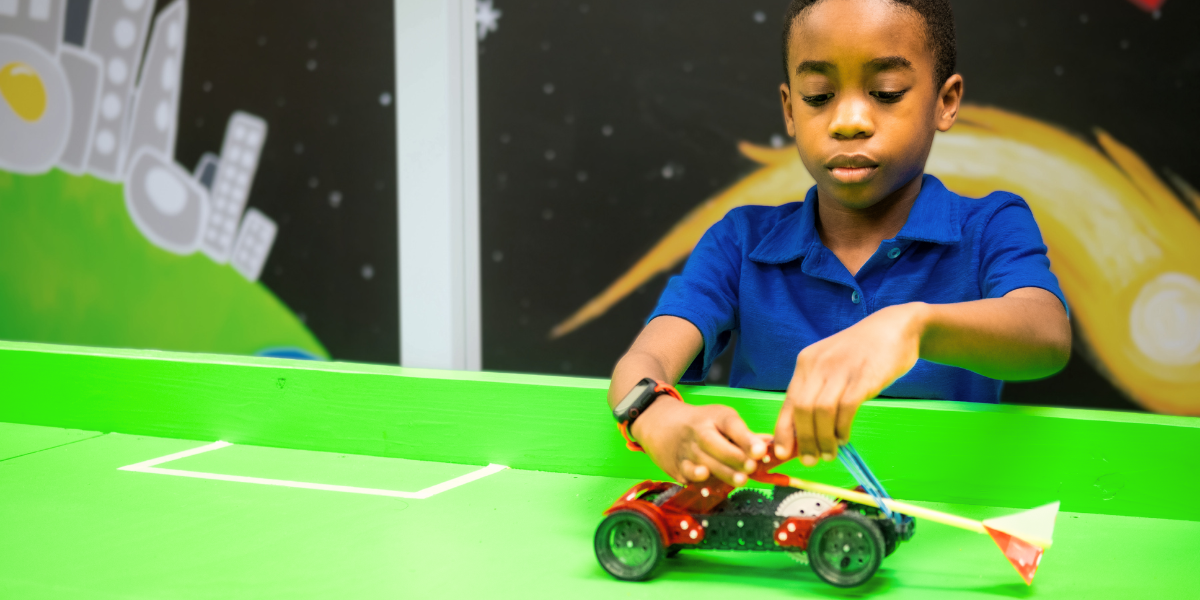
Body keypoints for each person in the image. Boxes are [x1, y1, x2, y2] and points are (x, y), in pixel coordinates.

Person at [606, 0, 1071, 488]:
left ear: (946, 101)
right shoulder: (740, 241)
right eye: (818, 95)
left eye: (886, 92)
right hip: (772, 521)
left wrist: (912, 326)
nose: (848, 121)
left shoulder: (991, 224)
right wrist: (657, 416)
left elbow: (1046, 332)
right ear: (789, 108)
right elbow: (643, 363)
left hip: (944, 516)